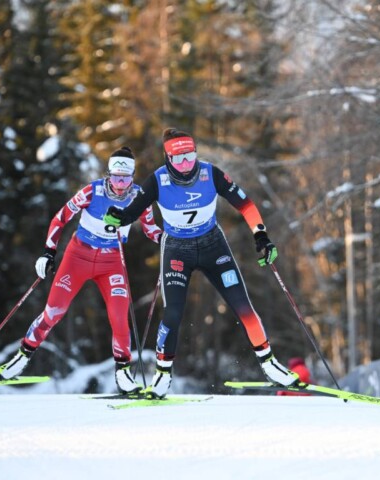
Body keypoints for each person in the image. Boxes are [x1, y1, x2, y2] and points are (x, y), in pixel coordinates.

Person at [103, 128, 300, 398]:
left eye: (190, 156)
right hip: (176, 249)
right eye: (178, 159)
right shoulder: (157, 181)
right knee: (173, 312)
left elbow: (246, 205)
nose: (186, 165)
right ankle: (162, 373)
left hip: (212, 246)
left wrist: (262, 236)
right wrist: (117, 216)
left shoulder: (210, 173)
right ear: (167, 159)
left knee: (242, 305)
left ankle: (269, 364)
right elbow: (131, 212)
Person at [0, 147, 162, 394]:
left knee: (119, 315)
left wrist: (169, 239)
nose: (120, 184)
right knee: (53, 311)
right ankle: (22, 356)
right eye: (116, 177)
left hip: (112, 261)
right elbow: (60, 218)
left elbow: (150, 229)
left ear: (133, 177)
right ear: (108, 174)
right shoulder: (92, 191)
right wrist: (48, 252)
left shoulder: (139, 197)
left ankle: (123, 372)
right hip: (78, 257)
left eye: (125, 178)